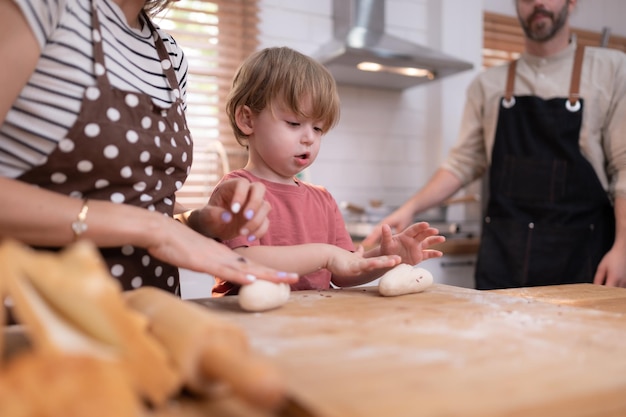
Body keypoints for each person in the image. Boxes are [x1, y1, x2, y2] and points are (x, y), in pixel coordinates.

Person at [0, 0, 299, 296]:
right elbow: (146, 223)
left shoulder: (169, 54)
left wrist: (198, 220)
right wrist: (153, 229)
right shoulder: (41, 8)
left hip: (147, 318)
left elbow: (144, 206)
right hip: (33, 314)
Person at [363, 0, 626, 289]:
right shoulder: (488, 84)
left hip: (583, 258)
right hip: (505, 260)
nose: (537, 2)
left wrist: (623, 248)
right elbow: (462, 163)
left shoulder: (611, 70)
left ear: (572, 2)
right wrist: (410, 208)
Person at [212, 46, 445, 296]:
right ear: (248, 120)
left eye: (318, 129)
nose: (309, 139)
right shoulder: (235, 191)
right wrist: (326, 254)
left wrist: (386, 257)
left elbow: (342, 273)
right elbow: (243, 261)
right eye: (294, 123)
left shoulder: (322, 200)